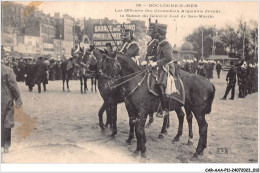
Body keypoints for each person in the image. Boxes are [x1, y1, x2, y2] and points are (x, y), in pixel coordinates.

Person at [149, 22, 175, 118]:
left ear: (161, 34)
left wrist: (156, 63)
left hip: (167, 68)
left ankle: (165, 109)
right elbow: (158, 57)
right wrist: (151, 61)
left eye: (158, 34)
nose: (156, 36)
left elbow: (168, 58)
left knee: (160, 85)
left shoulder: (166, 44)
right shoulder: (161, 44)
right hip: (160, 67)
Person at [1, 59, 23, 153]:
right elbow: (13, 86)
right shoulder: (7, 70)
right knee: (6, 122)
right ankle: (6, 146)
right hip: (6, 100)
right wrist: (18, 98)